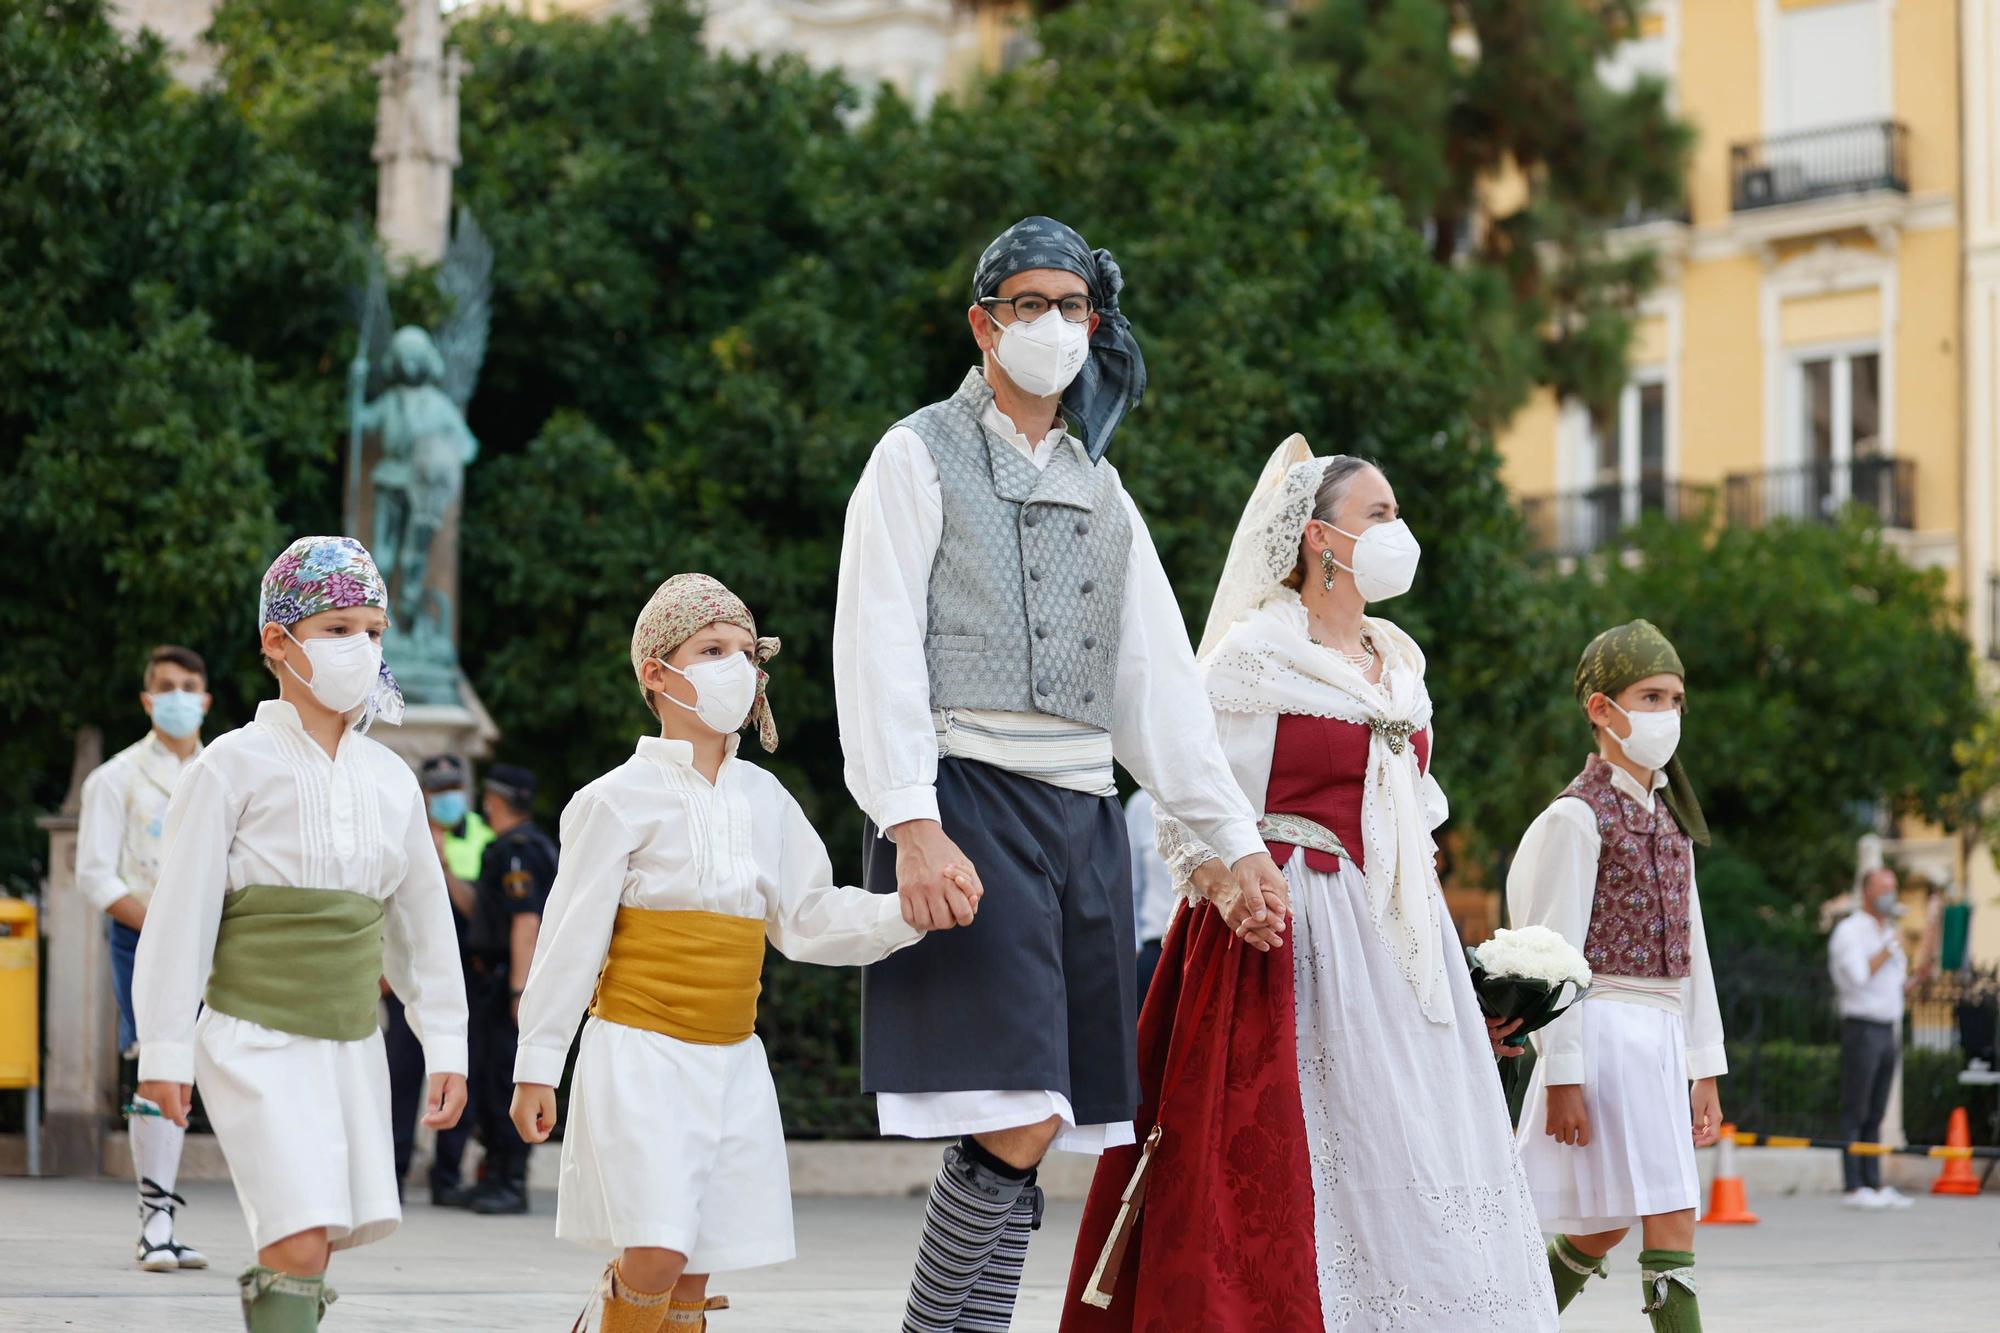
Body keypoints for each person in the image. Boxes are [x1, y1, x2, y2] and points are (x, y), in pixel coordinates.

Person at [1061, 439, 1557, 1331]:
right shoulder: (1253, 657)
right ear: (1321, 539)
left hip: (1394, 933)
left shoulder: (1399, 665)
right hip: (1285, 924)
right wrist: (1224, 885)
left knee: (1414, 1140)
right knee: (1288, 1161)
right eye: (1381, 515)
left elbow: (1416, 821)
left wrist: (1454, 971)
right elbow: (1185, 800)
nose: (1398, 530)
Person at [511, 573, 955, 1332]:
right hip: (640, 1055)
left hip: (731, 1060)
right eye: (712, 649)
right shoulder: (612, 799)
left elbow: (809, 918)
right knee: (652, 1250)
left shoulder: (766, 798)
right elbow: (568, 940)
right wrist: (536, 1065)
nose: (738, 667)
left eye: (747, 652)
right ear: (656, 671)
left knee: (694, 1270)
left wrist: (904, 915)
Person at [132, 535, 467, 1330]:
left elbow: (421, 923)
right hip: (253, 1035)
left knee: (318, 1244)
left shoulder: (392, 779)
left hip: (353, 1038)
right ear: (277, 642)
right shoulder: (228, 766)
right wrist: (165, 1052)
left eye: (374, 630)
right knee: (295, 1232)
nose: (363, 647)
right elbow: (180, 920)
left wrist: (446, 1041)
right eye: (339, 627)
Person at [1509, 619, 1725, 1332]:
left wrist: (1704, 1066)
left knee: (1603, 1226)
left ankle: (1511, 1316)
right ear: (1602, 708)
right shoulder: (1577, 816)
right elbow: (1556, 957)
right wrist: (1563, 1074)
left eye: (1675, 699)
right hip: (1605, 1032)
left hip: (1659, 1038)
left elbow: (1693, 954)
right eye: (1651, 695)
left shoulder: (1671, 820)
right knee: (1672, 1213)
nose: (1668, 714)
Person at [75, 643, 213, 1272]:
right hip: (145, 936)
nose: (180, 696)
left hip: (223, 939)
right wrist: (166, 925)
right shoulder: (116, 779)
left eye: (190, 685)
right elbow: (97, 879)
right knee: (158, 1066)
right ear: (147, 698)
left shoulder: (228, 771)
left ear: (206, 699)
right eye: (167, 685)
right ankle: (155, 1220)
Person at [384, 753, 488, 1203]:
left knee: (456, 1072)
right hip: (408, 979)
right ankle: (392, 1174)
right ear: (424, 794)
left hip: (465, 976)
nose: (448, 798)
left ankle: (447, 1179)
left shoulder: (480, 838)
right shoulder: (400, 830)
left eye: (454, 789)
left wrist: (442, 867)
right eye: (439, 790)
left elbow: (478, 910)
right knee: (402, 1077)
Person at [459, 761, 555, 1216]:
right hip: (497, 979)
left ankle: (510, 1182)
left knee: (504, 1079)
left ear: (494, 801)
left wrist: (520, 992)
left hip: (509, 981)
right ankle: (495, 1174)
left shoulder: (520, 850)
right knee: (490, 1077)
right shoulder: (512, 847)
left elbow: (526, 922)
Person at [1829, 867, 1915, 1210]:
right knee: (1856, 1108)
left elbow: (1895, 985)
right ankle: (1854, 1186)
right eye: (1884, 888)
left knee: (1876, 1111)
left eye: (1894, 887)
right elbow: (1860, 976)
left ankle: (1874, 1184)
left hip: (1888, 1027)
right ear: (1867, 891)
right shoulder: (1849, 932)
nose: (1890, 894)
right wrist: (1888, 946)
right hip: (1861, 1027)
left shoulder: (1889, 931)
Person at [1121, 789, 1174, 1005]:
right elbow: (1127, 884)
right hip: (1154, 951)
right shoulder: (1141, 804)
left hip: (1211, 949)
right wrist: (1132, 948)